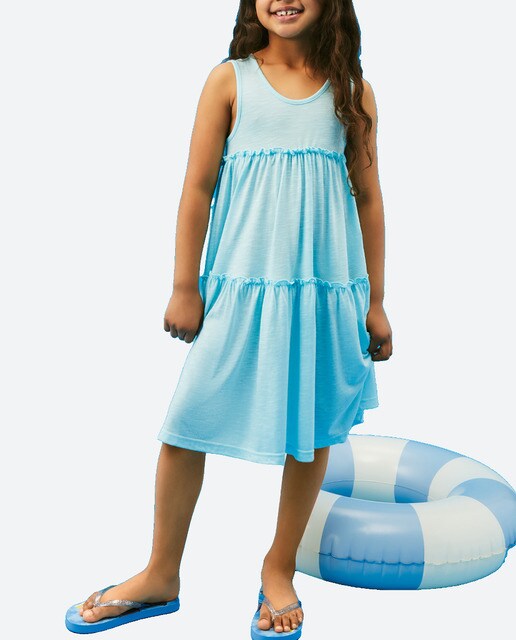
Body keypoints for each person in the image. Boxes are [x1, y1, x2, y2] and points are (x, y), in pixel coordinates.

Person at [65, 0, 393, 636]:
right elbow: (197, 188)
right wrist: (184, 285)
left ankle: (279, 566)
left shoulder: (352, 91)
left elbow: (370, 199)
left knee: (312, 428)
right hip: (240, 292)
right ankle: (161, 572)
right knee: (185, 424)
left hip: (323, 292)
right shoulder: (229, 80)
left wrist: (376, 302)